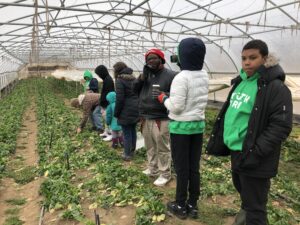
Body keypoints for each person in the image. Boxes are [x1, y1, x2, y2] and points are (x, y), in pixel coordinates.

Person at [207, 39, 293, 225]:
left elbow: (281, 126)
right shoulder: (242, 82)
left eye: (253, 58)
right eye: (244, 58)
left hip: (255, 156)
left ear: (265, 59)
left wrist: (255, 152)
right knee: (245, 195)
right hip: (238, 152)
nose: (247, 62)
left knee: (256, 207)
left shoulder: (274, 87)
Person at [157, 38, 208, 219]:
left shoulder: (181, 77)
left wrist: (164, 99)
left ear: (183, 56)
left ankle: (179, 204)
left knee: (181, 168)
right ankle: (193, 204)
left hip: (181, 129)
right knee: (194, 167)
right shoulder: (203, 75)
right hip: (197, 127)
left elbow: (176, 107)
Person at [133, 48, 177, 186]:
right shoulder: (146, 75)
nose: (151, 61)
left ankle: (165, 173)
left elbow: (178, 95)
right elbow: (134, 90)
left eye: (154, 58)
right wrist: (140, 79)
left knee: (162, 147)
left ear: (161, 59)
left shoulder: (171, 75)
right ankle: (153, 168)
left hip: (161, 117)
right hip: (146, 116)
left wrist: (165, 95)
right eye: (148, 59)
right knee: (150, 146)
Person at [113, 62, 139, 161]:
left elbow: (120, 99)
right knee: (132, 130)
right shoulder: (133, 78)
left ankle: (127, 154)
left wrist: (116, 113)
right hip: (135, 108)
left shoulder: (120, 80)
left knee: (127, 132)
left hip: (126, 109)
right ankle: (132, 151)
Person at [94, 65, 115, 140]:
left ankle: (111, 134)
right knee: (105, 118)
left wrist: (104, 102)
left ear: (102, 72)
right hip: (104, 103)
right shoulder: (106, 79)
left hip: (107, 103)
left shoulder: (108, 80)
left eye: (98, 74)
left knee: (108, 118)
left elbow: (108, 94)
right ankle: (106, 132)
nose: (98, 76)